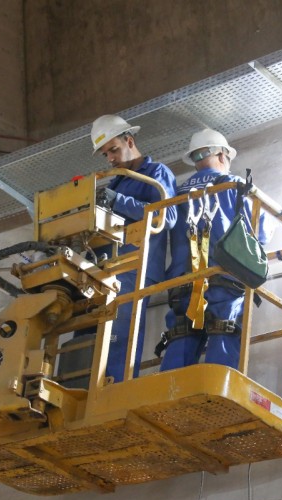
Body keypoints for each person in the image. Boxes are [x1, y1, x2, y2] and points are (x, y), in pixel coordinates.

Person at [160, 128, 272, 371]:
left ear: (195, 159)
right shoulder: (235, 185)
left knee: (181, 336)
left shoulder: (177, 195)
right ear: (222, 155)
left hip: (182, 283)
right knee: (224, 332)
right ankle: (215, 390)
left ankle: (171, 390)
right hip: (224, 278)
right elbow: (261, 233)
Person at [89, 114, 177, 383]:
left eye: (114, 150)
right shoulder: (116, 181)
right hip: (107, 267)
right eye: (106, 154)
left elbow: (166, 217)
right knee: (93, 337)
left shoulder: (156, 174)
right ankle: (89, 390)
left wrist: (118, 201)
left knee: (119, 335)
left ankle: (115, 390)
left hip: (135, 266)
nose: (110, 158)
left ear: (129, 141)